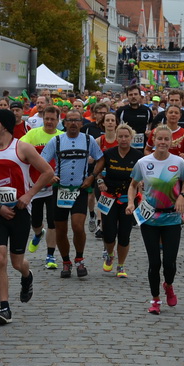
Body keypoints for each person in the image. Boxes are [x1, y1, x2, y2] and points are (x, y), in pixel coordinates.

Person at [0, 110, 52, 326]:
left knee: (17, 262)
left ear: (5, 126)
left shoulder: (22, 148)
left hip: (20, 211)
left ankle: (26, 276)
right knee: (0, 258)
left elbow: (47, 171)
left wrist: (28, 195)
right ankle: (4, 307)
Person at [130, 126, 184, 314]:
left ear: (171, 141)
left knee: (170, 263)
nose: (163, 143)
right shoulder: (143, 162)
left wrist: (182, 195)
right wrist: (131, 203)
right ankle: (155, 299)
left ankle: (169, 285)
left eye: (166, 139)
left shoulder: (178, 162)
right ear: (154, 140)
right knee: (154, 262)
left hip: (172, 216)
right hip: (150, 217)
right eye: (160, 139)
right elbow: (133, 185)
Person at [41, 110, 103, 279]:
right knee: (60, 230)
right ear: (65, 123)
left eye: (77, 121)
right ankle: (66, 262)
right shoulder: (57, 141)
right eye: (70, 121)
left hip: (80, 190)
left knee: (77, 226)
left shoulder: (89, 140)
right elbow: (41, 160)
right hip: (60, 190)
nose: (74, 124)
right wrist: (50, 174)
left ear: (82, 123)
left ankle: (79, 259)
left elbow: (101, 158)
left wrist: (92, 177)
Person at [97, 126, 141, 277]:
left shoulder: (137, 156)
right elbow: (97, 173)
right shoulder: (108, 154)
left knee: (124, 234)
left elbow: (142, 177)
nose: (123, 139)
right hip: (108, 197)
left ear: (131, 138)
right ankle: (110, 254)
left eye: (126, 136)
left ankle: (121, 266)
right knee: (108, 233)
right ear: (116, 137)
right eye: (120, 136)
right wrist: (99, 182)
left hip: (127, 199)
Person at [21, 105, 62, 266]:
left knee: (53, 221)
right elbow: (21, 153)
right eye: (46, 119)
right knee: (36, 222)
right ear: (42, 119)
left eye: (52, 119)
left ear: (58, 121)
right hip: (36, 185)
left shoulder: (62, 137)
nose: (49, 122)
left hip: (54, 186)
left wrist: (55, 175)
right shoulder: (32, 134)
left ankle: (50, 255)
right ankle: (38, 233)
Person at [116, 87, 155, 152]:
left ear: (140, 96)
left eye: (135, 94)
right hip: (125, 146)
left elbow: (150, 126)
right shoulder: (121, 111)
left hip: (142, 147)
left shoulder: (147, 111)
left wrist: (149, 132)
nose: (133, 97)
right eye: (131, 95)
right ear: (127, 97)